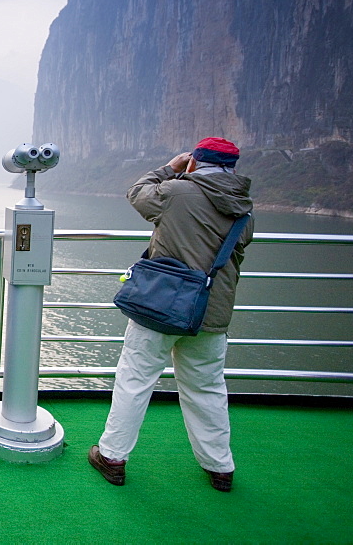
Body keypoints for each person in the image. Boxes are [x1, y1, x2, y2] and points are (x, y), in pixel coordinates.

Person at [89, 137, 253, 492]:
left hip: (160, 307)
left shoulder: (176, 192)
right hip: (212, 314)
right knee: (207, 389)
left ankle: (113, 458)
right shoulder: (244, 208)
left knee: (135, 381)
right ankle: (220, 467)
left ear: (195, 162)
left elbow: (137, 192)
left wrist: (171, 167)